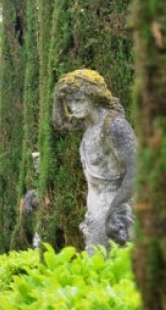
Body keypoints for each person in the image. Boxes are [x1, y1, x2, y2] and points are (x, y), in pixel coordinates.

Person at [53, 69, 136, 253]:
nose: (73, 107)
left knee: (103, 267)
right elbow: (60, 123)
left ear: (94, 97)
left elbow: (137, 170)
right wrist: (58, 96)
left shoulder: (113, 125)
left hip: (112, 208)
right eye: (69, 102)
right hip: (95, 210)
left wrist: (115, 212)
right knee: (99, 270)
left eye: (78, 100)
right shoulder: (88, 123)